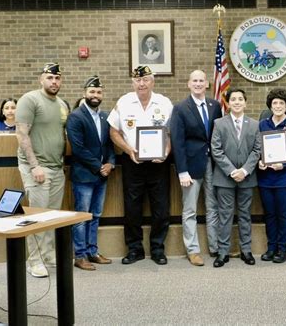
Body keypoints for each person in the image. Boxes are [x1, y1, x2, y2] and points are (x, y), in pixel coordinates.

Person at [107, 66, 173, 265]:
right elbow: (113, 132)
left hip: (158, 163)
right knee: (132, 207)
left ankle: (157, 249)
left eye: (145, 80)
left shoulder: (164, 102)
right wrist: (128, 150)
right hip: (132, 162)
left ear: (152, 81)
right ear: (132, 82)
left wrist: (166, 152)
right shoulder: (124, 102)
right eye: (138, 80)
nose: (141, 84)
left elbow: (171, 133)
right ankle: (134, 249)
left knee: (161, 208)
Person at [15, 62, 69, 278]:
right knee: (37, 215)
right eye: (49, 78)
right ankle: (34, 260)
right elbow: (22, 134)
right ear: (41, 79)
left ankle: (47, 254)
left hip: (56, 167)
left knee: (51, 215)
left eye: (57, 78)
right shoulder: (30, 100)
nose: (54, 82)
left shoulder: (62, 104)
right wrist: (35, 165)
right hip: (36, 167)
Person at [170, 70, 222, 266]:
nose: (198, 83)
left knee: (212, 206)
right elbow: (177, 141)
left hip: (213, 163)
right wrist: (182, 170)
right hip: (191, 166)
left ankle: (216, 246)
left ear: (207, 84)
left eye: (201, 80)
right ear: (188, 84)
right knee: (190, 209)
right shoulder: (181, 108)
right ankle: (193, 250)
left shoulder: (215, 106)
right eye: (195, 81)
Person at [66, 75, 115, 271]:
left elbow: (109, 144)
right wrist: (99, 166)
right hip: (84, 176)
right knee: (82, 217)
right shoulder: (76, 116)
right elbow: (78, 148)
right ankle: (80, 255)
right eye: (92, 92)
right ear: (84, 93)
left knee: (95, 215)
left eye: (99, 92)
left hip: (102, 175)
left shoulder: (105, 117)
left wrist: (110, 163)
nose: (95, 95)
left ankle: (93, 251)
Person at [210, 88, 261, 268]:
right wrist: (232, 171)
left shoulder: (254, 124)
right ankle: (223, 252)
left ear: (245, 103)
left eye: (240, 99)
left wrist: (245, 171)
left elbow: (257, 150)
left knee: (245, 215)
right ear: (228, 103)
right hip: (225, 178)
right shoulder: (219, 123)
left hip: (247, 178)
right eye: (233, 99)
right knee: (225, 216)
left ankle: (246, 250)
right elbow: (216, 150)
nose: (237, 102)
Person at [258, 88, 286, 263]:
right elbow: (257, 148)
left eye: (281, 103)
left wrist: (283, 164)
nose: (277, 106)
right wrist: (260, 161)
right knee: (269, 214)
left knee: (283, 214)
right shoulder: (263, 124)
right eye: (274, 103)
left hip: (285, 178)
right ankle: (271, 247)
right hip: (266, 179)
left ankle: (283, 249)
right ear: (270, 106)